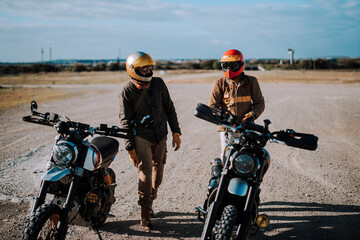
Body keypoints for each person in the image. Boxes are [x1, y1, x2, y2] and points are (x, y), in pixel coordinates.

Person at [119, 51, 182, 230]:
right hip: (142, 137)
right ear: (133, 70)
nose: (147, 72)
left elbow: (170, 108)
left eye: (149, 68)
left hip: (160, 135)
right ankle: (145, 213)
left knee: (158, 174)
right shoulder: (127, 92)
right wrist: (130, 147)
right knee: (145, 174)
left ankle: (151, 199)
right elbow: (125, 121)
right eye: (143, 69)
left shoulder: (159, 84)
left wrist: (176, 132)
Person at [208, 49, 265, 154]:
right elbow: (212, 107)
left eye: (233, 66)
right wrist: (224, 117)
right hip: (227, 129)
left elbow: (259, 103)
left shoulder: (251, 82)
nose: (229, 69)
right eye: (226, 65)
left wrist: (252, 115)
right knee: (227, 158)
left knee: (248, 158)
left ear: (241, 65)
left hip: (247, 128)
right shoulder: (219, 84)